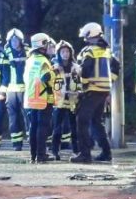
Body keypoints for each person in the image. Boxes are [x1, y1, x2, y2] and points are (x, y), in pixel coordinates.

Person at [71, 22, 119, 164]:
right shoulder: (106, 51)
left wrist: (83, 85)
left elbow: (85, 71)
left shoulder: (89, 51)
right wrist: (110, 82)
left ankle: (85, 154)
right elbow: (117, 67)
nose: (85, 39)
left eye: (86, 36)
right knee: (96, 122)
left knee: (82, 120)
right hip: (103, 91)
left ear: (90, 35)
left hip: (92, 90)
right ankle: (106, 152)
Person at [23, 33, 55, 163]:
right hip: (43, 98)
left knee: (33, 127)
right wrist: (55, 72)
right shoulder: (43, 61)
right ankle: (41, 155)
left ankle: (33, 155)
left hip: (31, 98)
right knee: (42, 127)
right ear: (43, 44)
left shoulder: (30, 59)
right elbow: (46, 78)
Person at [51, 40, 80, 160]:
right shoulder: (55, 68)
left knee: (74, 128)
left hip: (73, 101)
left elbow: (79, 83)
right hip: (59, 101)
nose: (65, 54)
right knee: (57, 128)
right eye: (63, 51)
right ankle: (54, 151)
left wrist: (77, 92)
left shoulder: (76, 67)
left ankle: (76, 151)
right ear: (59, 53)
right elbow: (52, 84)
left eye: (67, 51)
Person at [5, 28, 29, 151]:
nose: (14, 42)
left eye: (16, 39)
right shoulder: (6, 52)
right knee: (13, 117)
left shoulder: (29, 52)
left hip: (26, 89)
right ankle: (16, 143)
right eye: (12, 40)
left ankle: (31, 140)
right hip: (11, 90)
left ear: (21, 40)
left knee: (27, 116)